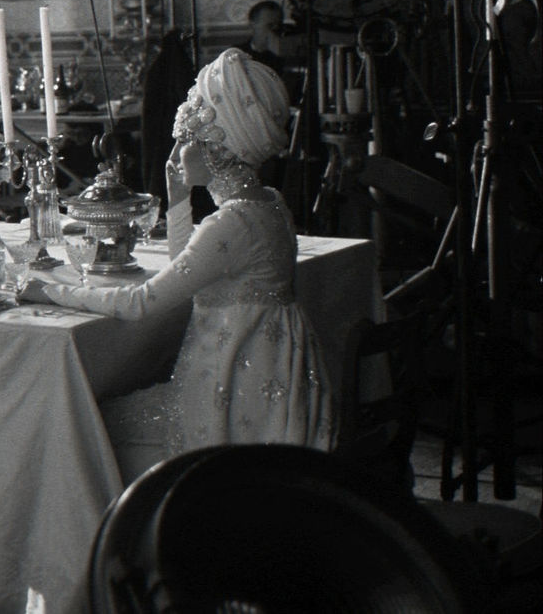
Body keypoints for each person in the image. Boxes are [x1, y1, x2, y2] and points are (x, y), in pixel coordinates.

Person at [20, 48, 334, 480]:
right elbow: (185, 269)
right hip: (266, 377)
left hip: (234, 390)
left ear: (213, 147)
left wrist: (50, 290)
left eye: (183, 139)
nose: (176, 150)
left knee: (88, 422)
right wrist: (180, 198)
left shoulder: (230, 222)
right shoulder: (269, 205)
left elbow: (142, 303)